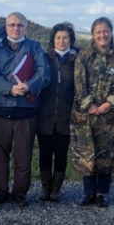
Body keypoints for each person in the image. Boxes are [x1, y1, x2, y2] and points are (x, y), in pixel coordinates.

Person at [0, 12, 50, 206]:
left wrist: (30, 86)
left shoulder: (35, 47)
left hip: (26, 110)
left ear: (25, 28)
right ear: (6, 27)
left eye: (19, 25)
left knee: (23, 156)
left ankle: (19, 193)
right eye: (11, 25)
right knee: (0, 155)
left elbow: (43, 72)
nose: (15, 28)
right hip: (0, 109)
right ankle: (1, 191)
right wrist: (9, 89)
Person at [71, 17, 114, 207]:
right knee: (87, 153)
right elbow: (79, 82)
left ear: (111, 32)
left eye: (105, 31)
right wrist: (88, 104)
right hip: (86, 114)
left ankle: (102, 194)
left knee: (107, 154)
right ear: (93, 34)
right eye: (98, 32)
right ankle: (88, 193)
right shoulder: (84, 56)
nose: (102, 35)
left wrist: (110, 103)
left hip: (110, 115)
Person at [36, 22, 78, 202]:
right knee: (45, 152)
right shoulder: (44, 58)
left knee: (61, 153)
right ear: (53, 40)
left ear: (71, 40)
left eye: (65, 37)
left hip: (66, 116)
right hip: (44, 115)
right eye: (58, 37)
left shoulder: (76, 61)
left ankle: (56, 189)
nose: (62, 41)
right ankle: (45, 188)